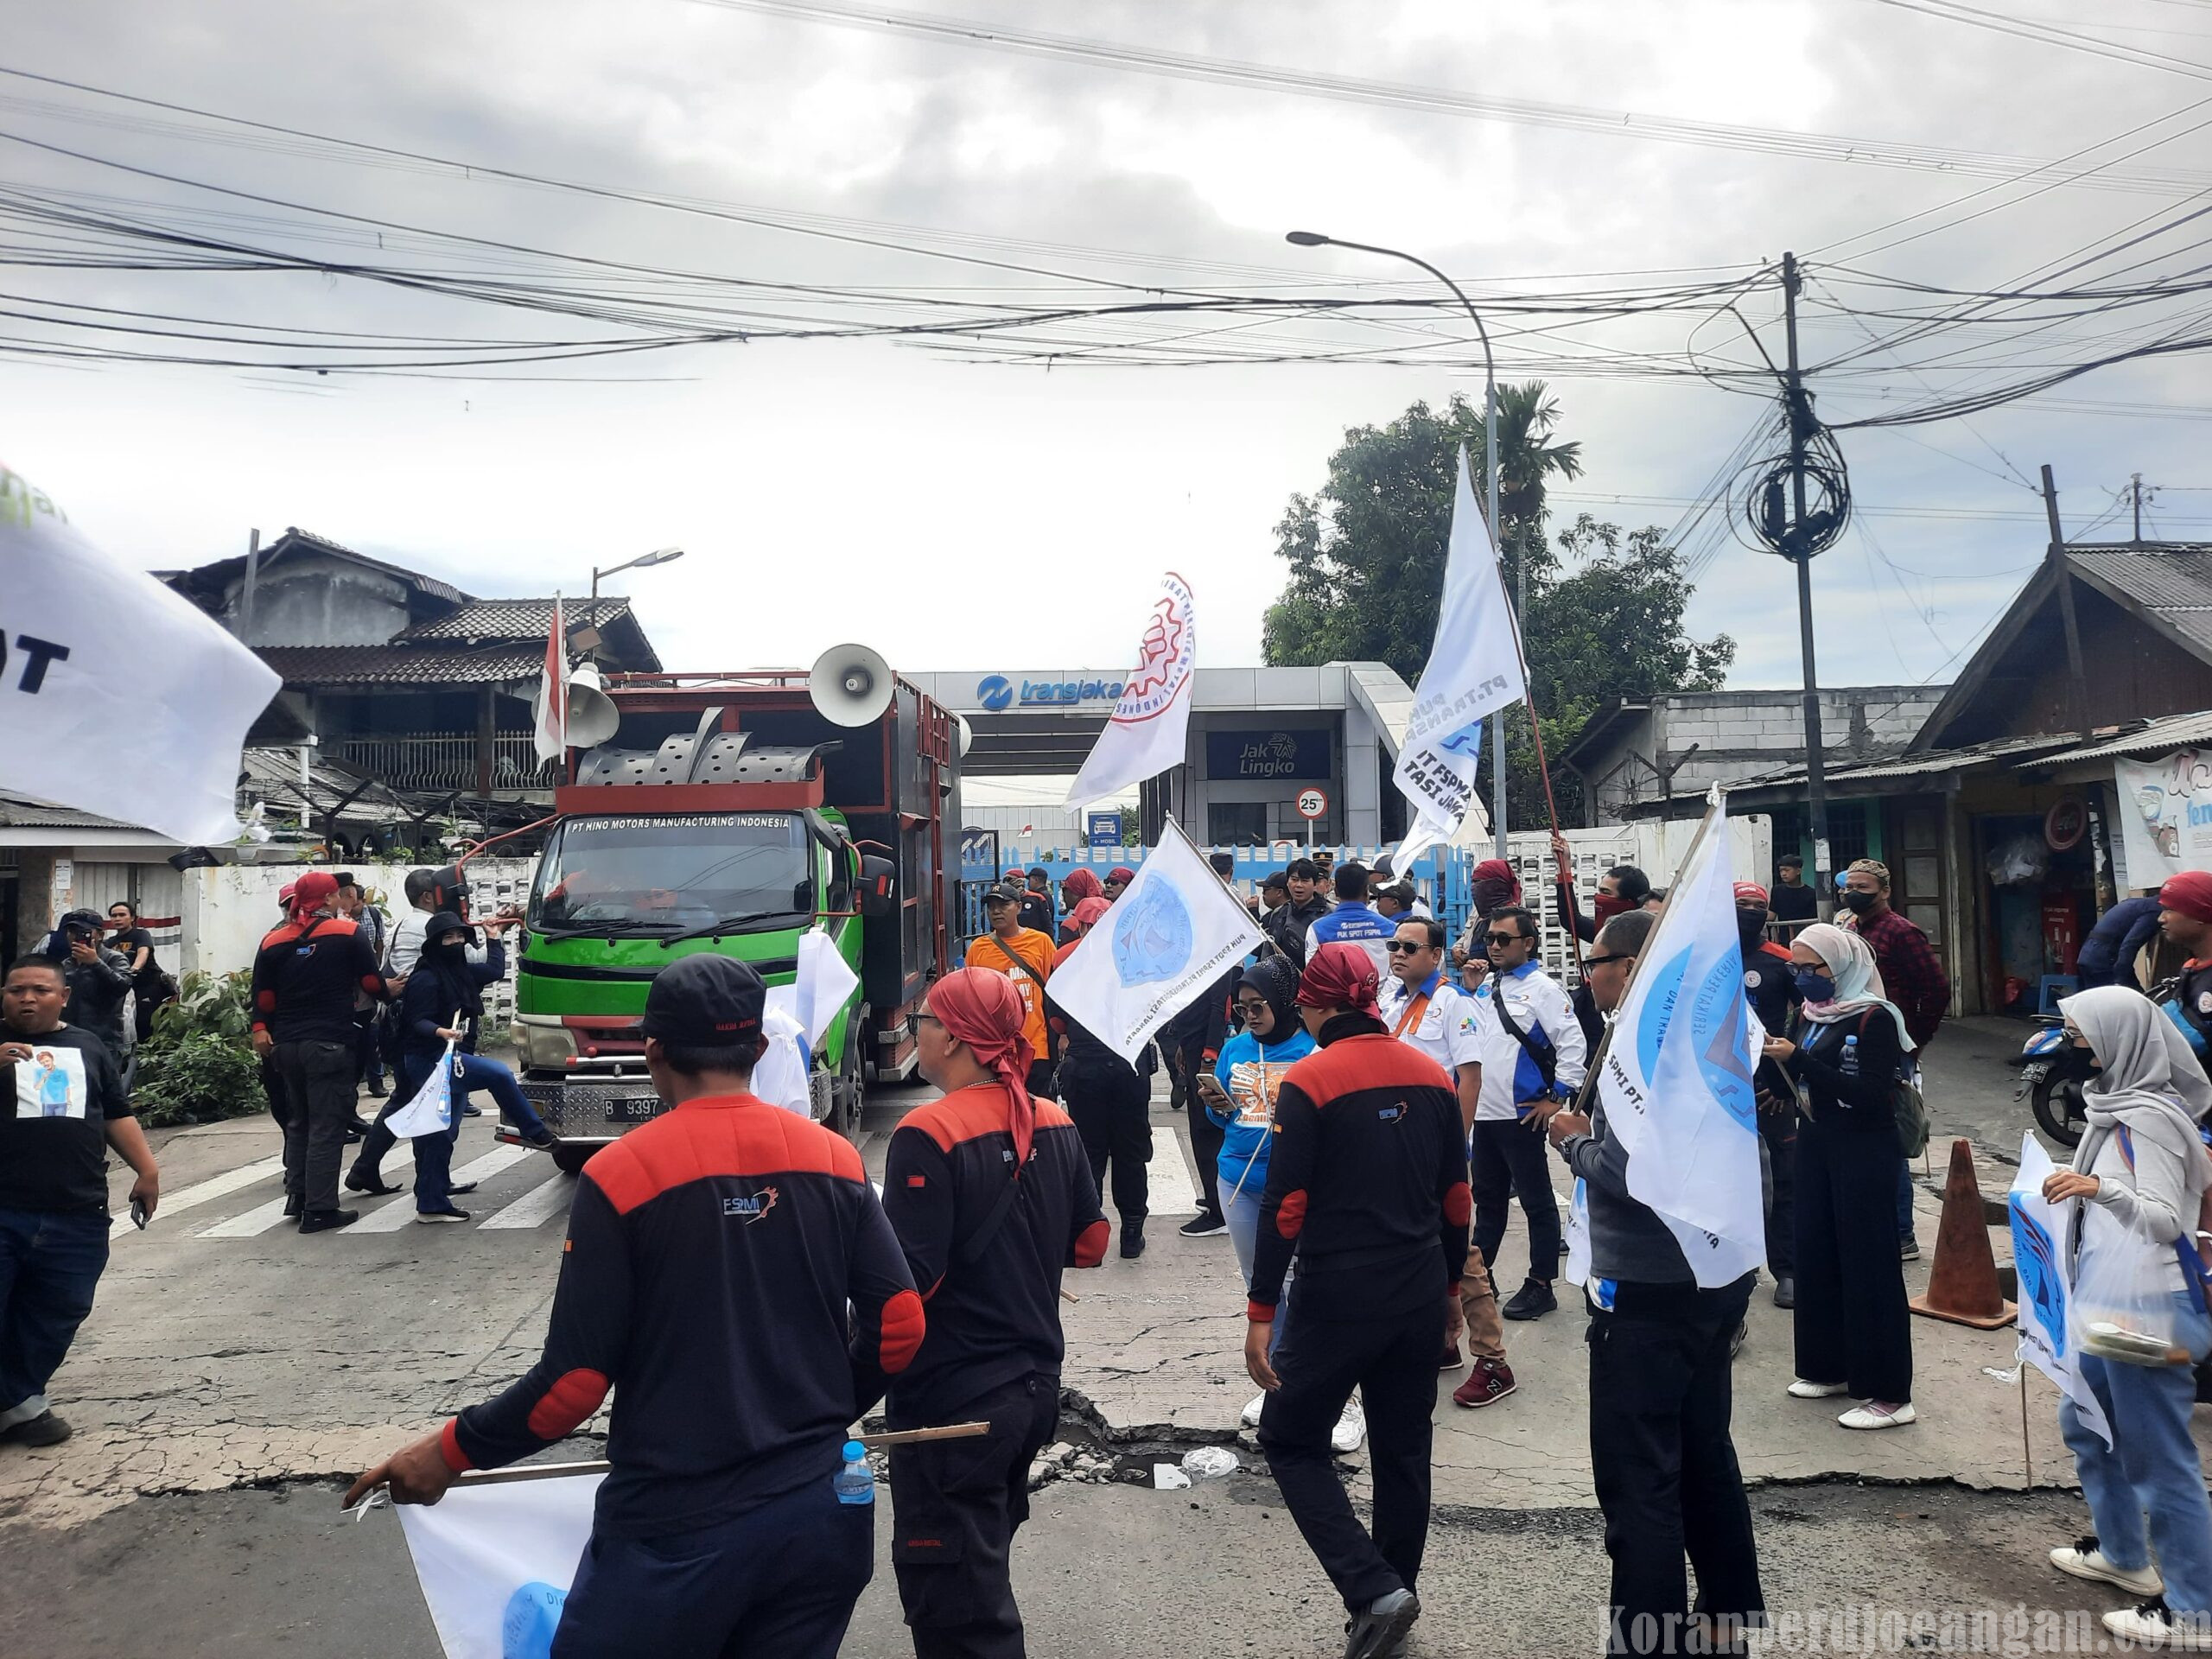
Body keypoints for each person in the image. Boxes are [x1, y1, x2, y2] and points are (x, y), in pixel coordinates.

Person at [345, 954, 921, 1659]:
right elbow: (898, 1324)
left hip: (677, 1530)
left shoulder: (622, 1175)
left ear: (653, 1051)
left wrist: (449, 1452)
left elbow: (572, 1387)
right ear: (760, 1047)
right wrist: (828, 1408)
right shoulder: (833, 1159)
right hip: (819, 1515)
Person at [1543, 909, 1764, 1656]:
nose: (1589, 974)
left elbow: (1639, 1177)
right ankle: (1728, 1615)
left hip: (1650, 1289)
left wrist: (1576, 1144)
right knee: (1704, 1451)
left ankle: (1649, 1642)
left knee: (1640, 1482)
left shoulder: (1649, 1059)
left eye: (1598, 960)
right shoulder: (1710, 1035)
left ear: (1634, 967)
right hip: (1715, 1279)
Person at [871, 968, 1107, 1658]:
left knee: (960, 1616)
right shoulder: (1052, 1117)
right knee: (979, 1568)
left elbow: (907, 1287)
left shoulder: (927, 1131)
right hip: (1033, 1391)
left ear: (953, 1036)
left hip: (953, 1404)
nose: (918, 1033)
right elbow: (1091, 1245)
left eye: (925, 1022)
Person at [1245, 943, 1470, 1659]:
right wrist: (1453, 1288)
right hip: (1417, 1287)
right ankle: (1386, 1599)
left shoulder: (1310, 1079)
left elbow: (1286, 1207)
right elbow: (1457, 1197)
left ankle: (1373, 1591)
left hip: (1335, 1291)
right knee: (1404, 1453)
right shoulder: (1430, 1073)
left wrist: (1258, 1315)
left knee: (1288, 1438)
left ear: (1315, 1003)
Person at [2039, 986, 2212, 1651]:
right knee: (2086, 1423)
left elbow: (2167, 1219)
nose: (2071, 1044)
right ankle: (2123, 1554)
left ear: (2118, 1040)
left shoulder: (2153, 1119)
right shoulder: (2112, 1108)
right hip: (2113, 1300)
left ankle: (2194, 1609)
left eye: (2079, 1033)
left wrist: (2097, 1188)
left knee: (2161, 1460)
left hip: (2151, 1310)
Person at [0, 957, 159, 1449]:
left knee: (57, 1311)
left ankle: (17, 1401)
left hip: (77, 1211)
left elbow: (114, 1112)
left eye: (41, 990)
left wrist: (147, 1169)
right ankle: (20, 1405)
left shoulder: (86, 1045)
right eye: (17, 989)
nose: (28, 998)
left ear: (63, 997)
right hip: (5, 1208)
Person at [1765, 923, 1916, 1430]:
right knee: (1818, 1256)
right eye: (1797, 969)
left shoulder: (1875, 1018)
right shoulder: (1809, 1014)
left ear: (1844, 967)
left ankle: (1890, 1393)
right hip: (1817, 1144)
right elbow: (1801, 1079)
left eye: (1815, 969)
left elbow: (1871, 1095)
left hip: (1864, 1151)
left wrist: (1799, 1058)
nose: (1805, 978)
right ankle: (1828, 1367)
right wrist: (1775, 1066)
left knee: (1868, 1267)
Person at [1382, 917, 1514, 1408]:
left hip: (1438, 1147)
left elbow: (1470, 1079)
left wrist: (1454, 1148)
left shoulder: (1452, 1002)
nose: (1398, 953)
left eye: (1409, 947)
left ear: (1436, 955)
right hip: (1399, 1144)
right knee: (1426, 1243)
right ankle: (1445, 1341)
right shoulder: (1391, 1000)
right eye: (1394, 945)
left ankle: (1493, 1359)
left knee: (1461, 1252)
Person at [370, 910, 556, 1219]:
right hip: (430, 1060)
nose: (455, 943)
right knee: (498, 1074)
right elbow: (417, 1022)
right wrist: (440, 1031)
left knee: (442, 1132)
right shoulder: (426, 978)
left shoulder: (460, 972)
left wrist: (493, 937)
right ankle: (535, 1131)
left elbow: (494, 970)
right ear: (434, 944)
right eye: (448, 937)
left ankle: (431, 1198)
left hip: (452, 1059)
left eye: (459, 937)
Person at [1200, 957, 1316, 1429]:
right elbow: (1224, 1118)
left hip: (1296, 1190)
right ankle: (1278, 1382)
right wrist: (1215, 1106)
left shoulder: (1314, 1049)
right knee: (1261, 1286)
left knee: (1301, 1283)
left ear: (1287, 1002)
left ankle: (1320, 1386)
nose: (1249, 1013)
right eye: (1243, 1006)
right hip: (1238, 1184)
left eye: (1258, 1004)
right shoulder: (1235, 1048)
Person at [249, 870, 391, 1233]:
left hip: (286, 1047)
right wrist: (393, 992)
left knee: (300, 1122)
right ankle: (321, 1208)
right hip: (328, 1042)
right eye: (337, 895)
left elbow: (263, 996)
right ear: (329, 899)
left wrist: (261, 1029)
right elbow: (372, 983)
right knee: (328, 1126)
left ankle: (298, 1197)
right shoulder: (345, 933)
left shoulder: (272, 941)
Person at [1466, 906, 1586, 1322]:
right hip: (1484, 1114)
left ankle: (1540, 1284)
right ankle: (1482, 1277)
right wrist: (1470, 989)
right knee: (1489, 1201)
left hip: (1521, 1116)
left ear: (1528, 943)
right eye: (1490, 939)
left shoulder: (1544, 989)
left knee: (1536, 1201)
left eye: (1504, 939)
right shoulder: (1486, 987)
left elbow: (1573, 1046)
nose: (1494, 946)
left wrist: (1556, 1097)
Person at [1839, 857, 1948, 1262]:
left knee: (1891, 1137)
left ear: (1885, 891)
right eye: (1850, 887)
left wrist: (1915, 1039)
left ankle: (1902, 1232)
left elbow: (1935, 989)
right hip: (1853, 1042)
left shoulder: (1901, 933)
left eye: (1864, 888)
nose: (1854, 894)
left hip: (1892, 1048)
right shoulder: (1849, 927)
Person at [1046, 897, 1153, 1258]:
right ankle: (1132, 1231)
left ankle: (1088, 1231)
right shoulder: (1138, 955)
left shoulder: (1066, 957)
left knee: (1089, 1152)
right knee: (1131, 1151)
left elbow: (1055, 1017)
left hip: (1086, 1066)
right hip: (1129, 1065)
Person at [1161, 853, 1242, 1241]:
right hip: (1193, 1045)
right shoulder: (1198, 946)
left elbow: (1217, 1004)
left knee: (1206, 1127)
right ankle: (1215, 1197)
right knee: (1201, 1126)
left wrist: (1208, 1054)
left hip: (1206, 1051)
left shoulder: (1215, 947)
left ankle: (1217, 1207)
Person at [1737, 883, 1802, 1310]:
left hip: (1769, 1091)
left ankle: (1788, 1269)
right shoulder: (1705, 959)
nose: (1750, 912)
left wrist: (1785, 1082)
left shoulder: (1781, 962)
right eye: (1742, 906)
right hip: (1717, 1088)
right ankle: (1733, 1269)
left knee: (1783, 1179)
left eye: (1758, 907)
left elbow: (1808, 1016)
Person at [963, 883, 1058, 1099]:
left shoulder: (1041, 943)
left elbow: (1056, 992)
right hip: (995, 1053)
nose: (996, 911)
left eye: (1003, 905)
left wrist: (1062, 1037)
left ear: (1018, 906)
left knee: (1039, 1118)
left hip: (1036, 1049)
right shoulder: (978, 949)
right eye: (991, 907)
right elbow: (970, 1002)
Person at [42, 910, 134, 1071]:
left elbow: (122, 987)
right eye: (71, 932)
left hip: (104, 1042)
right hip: (68, 1040)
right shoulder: (66, 964)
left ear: (100, 935)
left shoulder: (114, 959)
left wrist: (95, 963)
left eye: (83, 932)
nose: (75, 937)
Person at [334, 874, 391, 1099]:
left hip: (368, 986)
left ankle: (375, 1080)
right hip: (348, 992)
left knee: (371, 1034)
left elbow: (379, 944)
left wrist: (375, 975)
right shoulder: (339, 922)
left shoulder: (373, 915)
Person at [1549, 833, 1651, 946]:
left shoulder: (1648, 943)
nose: (1598, 898)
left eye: (1606, 893)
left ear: (1629, 904)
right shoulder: (1604, 934)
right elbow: (1571, 920)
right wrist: (1564, 864)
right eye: (1600, 891)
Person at [1306, 861, 1394, 984]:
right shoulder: (1391, 928)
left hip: (1335, 1001)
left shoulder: (1317, 929)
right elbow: (1398, 973)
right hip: (1380, 1000)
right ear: (1367, 891)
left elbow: (1314, 974)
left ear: (1336, 892)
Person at [103, 902, 168, 1046]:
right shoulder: (109, 942)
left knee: (146, 1022)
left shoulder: (141, 935)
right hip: (125, 988)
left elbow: (143, 952)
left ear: (132, 918)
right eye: (114, 916)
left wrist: (134, 968)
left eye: (122, 915)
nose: (117, 919)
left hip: (148, 986)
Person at [2080, 892, 2164, 994]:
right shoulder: (2156, 911)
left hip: (2089, 954)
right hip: (2104, 958)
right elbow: (2130, 945)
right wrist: (2121, 980)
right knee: (2133, 998)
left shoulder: (2140, 903)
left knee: (2098, 1002)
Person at [1268, 857, 1332, 969]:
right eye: (1294, 879)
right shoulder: (1279, 914)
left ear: (1315, 885)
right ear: (1287, 882)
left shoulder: (1327, 915)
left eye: (1305, 881)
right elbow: (1269, 952)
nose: (1299, 885)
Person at [1769, 854, 1817, 929]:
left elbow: (1813, 920)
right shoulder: (1777, 890)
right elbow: (1772, 914)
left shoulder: (1811, 893)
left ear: (1798, 871)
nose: (1783, 874)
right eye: (1781, 871)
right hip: (1783, 937)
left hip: (1804, 935)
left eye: (1787, 870)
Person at [1056, 868, 1103, 945]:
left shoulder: (1071, 924)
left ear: (1077, 893)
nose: (1063, 893)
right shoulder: (1106, 914)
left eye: (1065, 889)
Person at [1019, 867, 1056, 940]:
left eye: (1030, 879)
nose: (1028, 883)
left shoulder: (1039, 897)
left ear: (1036, 879)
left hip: (1037, 936)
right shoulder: (1047, 895)